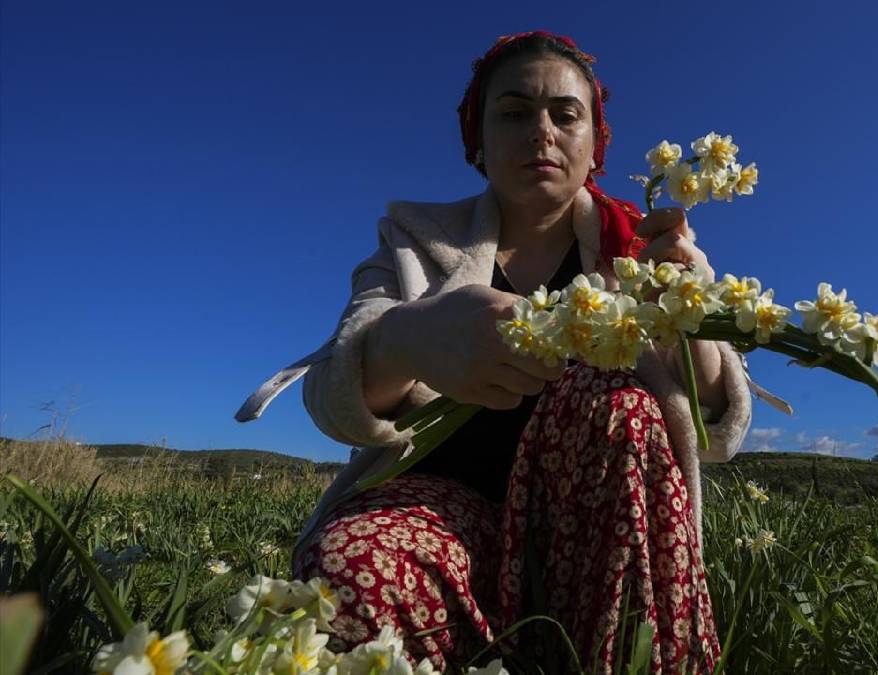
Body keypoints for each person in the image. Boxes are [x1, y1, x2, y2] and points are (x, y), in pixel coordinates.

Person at [236, 31, 754, 673]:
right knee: (350, 568)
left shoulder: (642, 255)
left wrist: (690, 312)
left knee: (615, 399)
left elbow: (714, 430)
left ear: (595, 143)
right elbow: (332, 399)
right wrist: (411, 338)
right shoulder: (414, 242)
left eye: (566, 115)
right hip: (442, 508)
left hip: (597, 528)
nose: (541, 132)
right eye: (513, 113)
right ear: (477, 143)